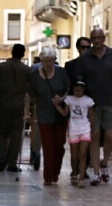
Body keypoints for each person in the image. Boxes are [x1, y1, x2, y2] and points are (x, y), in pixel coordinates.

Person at [76, 28, 112, 184]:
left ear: (104, 38)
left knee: (110, 136)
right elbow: (79, 81)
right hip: (91, 103)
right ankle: (97, 171)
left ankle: (105, 161)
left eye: (99, 37)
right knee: (95, 135)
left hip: (111, 100)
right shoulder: (85, 58)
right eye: (94, 38)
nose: (97, 41)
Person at [0, 44, 32, 173]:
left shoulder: (2, 67)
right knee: (16, 134)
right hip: (19, 105)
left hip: (4, 103)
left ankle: (1, 162)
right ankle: (12, 163)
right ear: (23, 54)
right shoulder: (26, 70)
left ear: (12, 52)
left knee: (2, 134)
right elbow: (30, 88)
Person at [29, 46, 70, 185]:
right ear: (41, 61)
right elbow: (30, 94)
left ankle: (55, 170)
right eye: (45, 61)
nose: (48, 64)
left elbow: (69, 90)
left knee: (59, 145)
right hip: (44, 115)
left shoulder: (61, 73)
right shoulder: (35, 76)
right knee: (47, 146)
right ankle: (48, 177)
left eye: (50, 61)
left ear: (54, 60)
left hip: (59, 115)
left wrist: (62, 99)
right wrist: (28, 111)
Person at [59, 80, 95, 186]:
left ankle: (81, 178)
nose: (78, 92)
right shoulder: (69, 99)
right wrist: (58, 108)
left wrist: (93, 129)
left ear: (83, 90)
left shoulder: (89, 101)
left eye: (80, 90)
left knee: (83, 154)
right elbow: (65, 113)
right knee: (74, 155)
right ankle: (74, 173)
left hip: (85, 128)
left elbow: (91, 116)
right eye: (75, 90)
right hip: (73, 129)